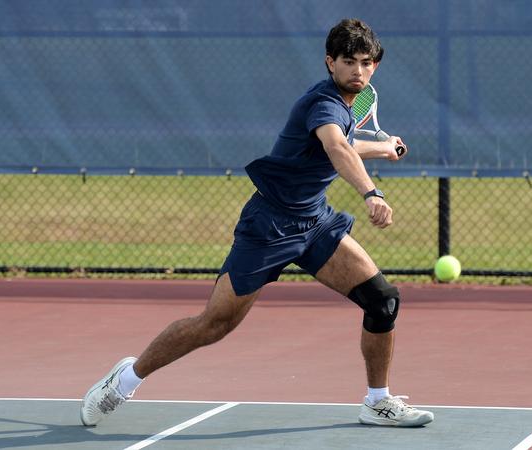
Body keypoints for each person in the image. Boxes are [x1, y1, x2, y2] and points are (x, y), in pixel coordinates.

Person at [80, 18, 433, 428]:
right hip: (268, 227)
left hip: (314, 222)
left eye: (366, 62)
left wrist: (383, 147)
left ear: (374, 66)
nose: (358, 70)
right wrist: (371, 193)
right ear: (329, 62)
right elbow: (336, 146)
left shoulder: (344, 105)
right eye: (349, 61)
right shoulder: (323, 104)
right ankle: (124, 380)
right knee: (214, 324)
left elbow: (345, 143)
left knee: (383, 301)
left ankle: (378, 402)